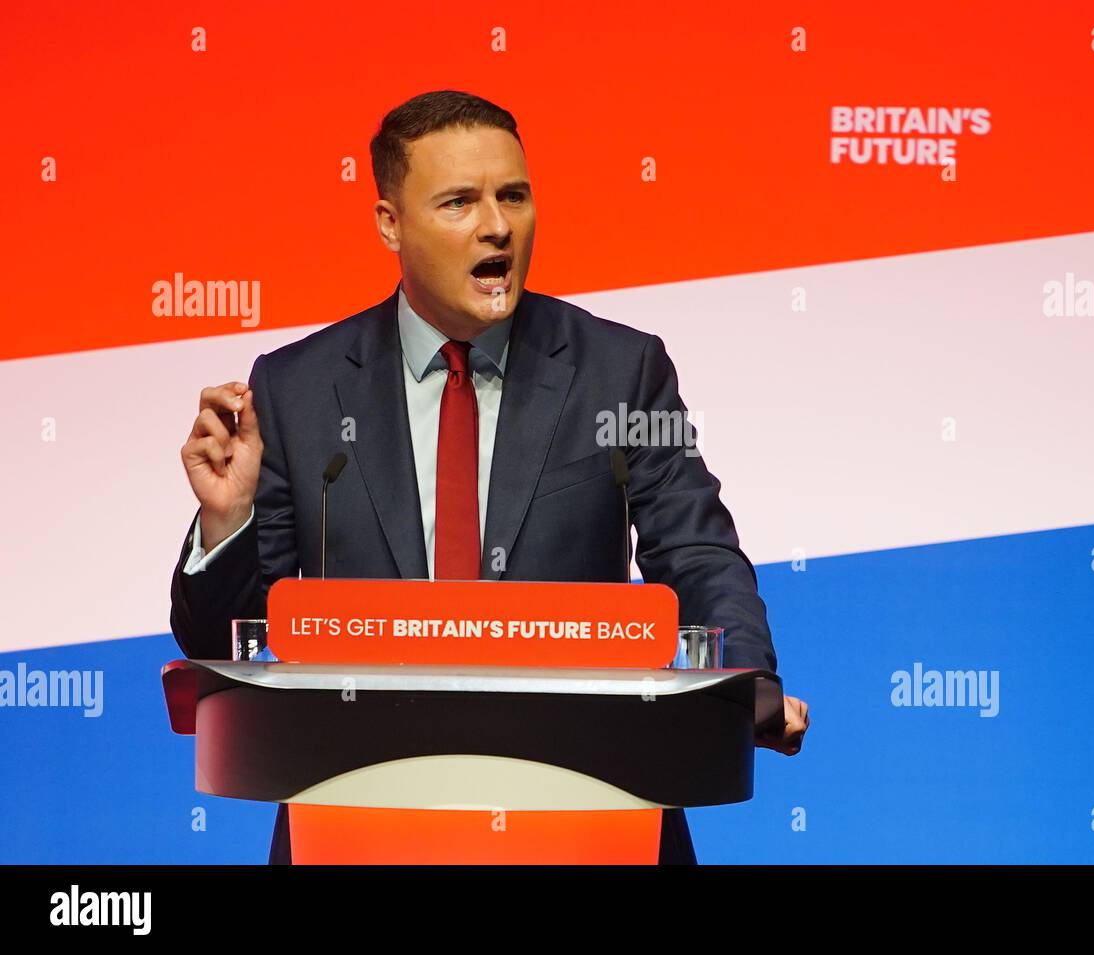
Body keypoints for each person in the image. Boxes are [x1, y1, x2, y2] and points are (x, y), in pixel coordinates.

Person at [170, 89, 809, 864]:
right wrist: (226, 522)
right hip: (361, 820)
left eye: (513, 195)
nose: (497, 225)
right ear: (389, 224)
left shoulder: (621, 371)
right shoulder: (295, 390)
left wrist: (746, 680)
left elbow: (697, 546)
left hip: (588, 814)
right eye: (459, 202)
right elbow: (226, 641)